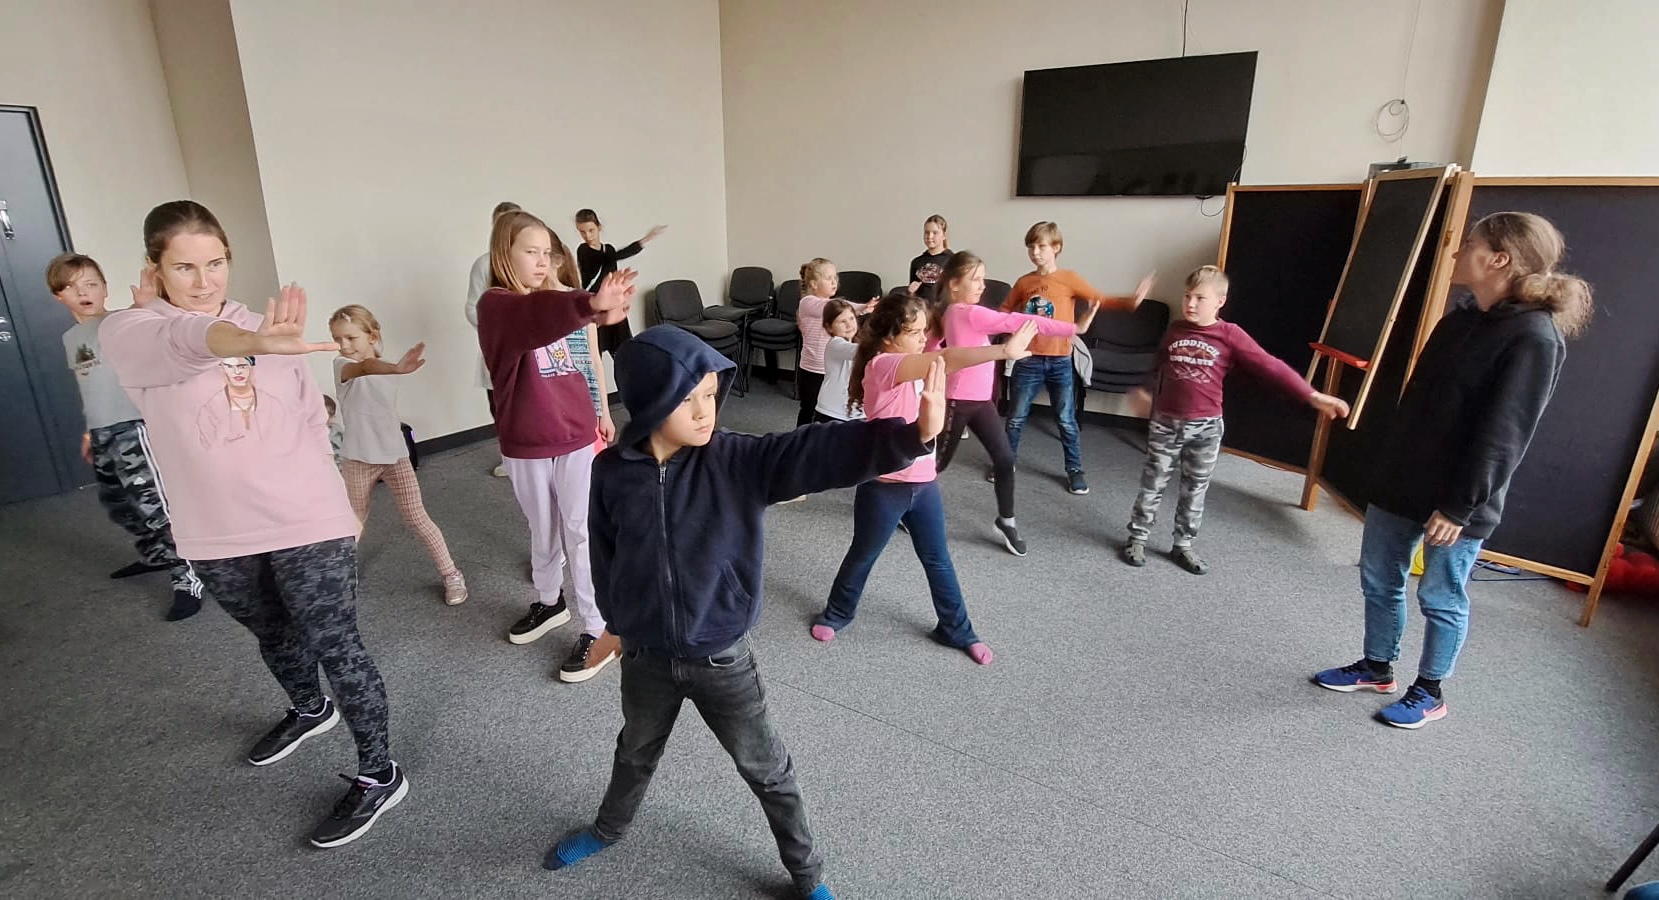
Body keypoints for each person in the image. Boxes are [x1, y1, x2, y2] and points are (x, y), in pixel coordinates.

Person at [544, 324, 946, 900]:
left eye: (710, 395)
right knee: (633, 751)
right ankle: (608, 829)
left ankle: (807, 875)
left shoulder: (734, 459)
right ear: (651, 401)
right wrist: (616, 624)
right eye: (688, 399)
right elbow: (605, 554)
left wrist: (909, 436)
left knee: (767, 771)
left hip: (721, 657)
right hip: (647, 655)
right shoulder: (611, 470)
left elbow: (812, 451)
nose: (704, 411)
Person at [101, 200, 406, 847]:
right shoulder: (133, 332)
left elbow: (308, 421)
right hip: (216, 529)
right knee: (271, 631)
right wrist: (250, 344)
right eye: (185, 267)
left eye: (215, 263)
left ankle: (380, 774)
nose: (204, 280)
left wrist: (340, 507)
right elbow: (187, 343)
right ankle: (309, 708)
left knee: (337, 644)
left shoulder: (269, 330)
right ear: (155, 269)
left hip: (306, 518)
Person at [1312, 212, 1591, 729]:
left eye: (1470, 243)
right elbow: (1420, 406)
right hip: (1403, 481)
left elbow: (1505, 435)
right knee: (1379, 578)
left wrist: (1459, 506)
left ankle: (1430, 691)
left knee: (1439, 596)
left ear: (1500, 259)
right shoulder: (1458, 320)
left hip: (1459, 501)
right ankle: (1376, 666)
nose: (1457, 250)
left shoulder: (1535, 337)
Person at [812, 290, 1039, 663]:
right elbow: (946, 358)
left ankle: (956, 629)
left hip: (924, 485)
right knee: (863, 555)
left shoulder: (914, 357)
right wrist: (1003, 351)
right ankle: (837, 613)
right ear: (890, 336)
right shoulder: (883, 365)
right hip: (884, 488)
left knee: (938, 559)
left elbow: (942, 347)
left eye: (924, 331)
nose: (923, 339)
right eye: (915, 332)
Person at [478, 210, 630, 683]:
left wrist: (601, 412)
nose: (542, 261)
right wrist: (590, 304)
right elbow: (534, 316)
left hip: (577, 435)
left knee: (582, 530)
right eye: (531, 252)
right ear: (503, 253)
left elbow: (586, 361)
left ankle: (599, 627)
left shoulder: (561, 301)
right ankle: (549, 602)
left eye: (547, 252)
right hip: (526, 442)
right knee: (541, 528)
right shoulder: (497, 305)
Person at [1120, 265, 1350, 575]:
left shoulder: (1229, 334)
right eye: (1187, 296)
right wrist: (1146, 391)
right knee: (1153, 483)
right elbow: (1159, 364)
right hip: (1166, 423)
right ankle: (1137, 538)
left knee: (1194, 489)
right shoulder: (1175, 329)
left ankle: (1183, 544)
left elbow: (1269, 366)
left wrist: (1311, 395)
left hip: (1205, 428)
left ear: (1220, 301)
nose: (1190, 304)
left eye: (1200, 298)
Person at [49, 252, 204, 621]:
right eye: (72, 287)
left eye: (91, 284)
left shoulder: (120, 322)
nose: (83, 292)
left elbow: (149, 328)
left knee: (154, 505)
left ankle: (188, 575)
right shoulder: (70, 338)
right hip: (103, 431)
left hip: (134, 427)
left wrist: (145, 303)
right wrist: (90, 430)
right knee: (120, 502)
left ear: (105, 289)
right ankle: (155, 555)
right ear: (58, 296)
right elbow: (90, 386)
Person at [932, 250, 1076, 556]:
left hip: (981, 402)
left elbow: (932, 345)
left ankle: (1006, 520)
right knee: (937, 464)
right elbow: (1016, 320)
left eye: (983, 279)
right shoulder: (967, 312)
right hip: (958, 401)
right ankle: (903, 503)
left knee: (1004, 459)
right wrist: (1071, 329)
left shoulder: (952, 312)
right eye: (976, 279)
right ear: (954, 284)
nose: (983, 285)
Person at [328, 304, 467, 605]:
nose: (343, 345)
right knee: (352, 522)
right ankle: (341, 577)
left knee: (417, 517)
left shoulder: (387, 367)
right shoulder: (342, 365)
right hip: (358, 459)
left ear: (372, 335)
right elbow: (363, 367)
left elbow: (373, 365)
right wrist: (396, 368)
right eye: (338, 338)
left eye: (351, 337)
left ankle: (451, 574)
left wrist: (395, 367)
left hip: (394, 457)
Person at [1001, 221, 1153, 495]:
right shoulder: (1024, 282)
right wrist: (1011, 328)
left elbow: (1099, 299)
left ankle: (1074, 470)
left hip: (1060, 361)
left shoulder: (1068, 278)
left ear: (1056, 248)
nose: (1035, 252)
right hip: (1028, 360)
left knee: (1066, 420)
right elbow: (1004, 310)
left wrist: (1130, 302)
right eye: (1031, 247)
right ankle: (1005, 463)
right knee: (1015, 417)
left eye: (1041, 246)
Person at [466, 201, 521, 477]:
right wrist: (497, 326)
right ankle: (510, 458)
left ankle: (537, 454)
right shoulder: (483, 264)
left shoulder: (530, 260)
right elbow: (472, 307)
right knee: (500, 407)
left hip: (530, 349)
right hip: (497, 349)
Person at [574, 208, 666, 362]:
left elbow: (614, 257)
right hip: (596, 308)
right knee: (595, 356)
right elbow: (609, 258)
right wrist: (641, 242)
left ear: (599, 227)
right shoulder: (583, 250)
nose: (587, 236)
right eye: (582, 232)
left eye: (591, 230)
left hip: (613, 307)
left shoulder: (608, 249)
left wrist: (645, 240)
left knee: (624, 354)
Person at [795, 258, 869, 428]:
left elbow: (839, 309)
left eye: (835, 278)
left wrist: (863, 309)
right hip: (812, 369)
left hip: (830, 368)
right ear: (814, 284)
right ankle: (800, 438)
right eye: (829, 278)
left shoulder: (833, 307)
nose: (834, 282)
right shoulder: (807, 302)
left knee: (825, 410)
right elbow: (833, 306)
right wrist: (860, 307)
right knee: (808, 409)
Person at [812, 300, 862, 423]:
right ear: (829, 327)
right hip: (831, 411)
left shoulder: (857, 342)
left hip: (855, 412)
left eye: (851, 318)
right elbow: (858, 351)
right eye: (842, 321)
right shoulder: (835, 344)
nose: (849, 325)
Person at [907, 214, 952, 300]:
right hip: (921, 307)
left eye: (935, 233)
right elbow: (912, 298)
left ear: (944, 235)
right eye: (927, 232)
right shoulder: (916, 262)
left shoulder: (952, 260)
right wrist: (910, 292)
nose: (930, 236)